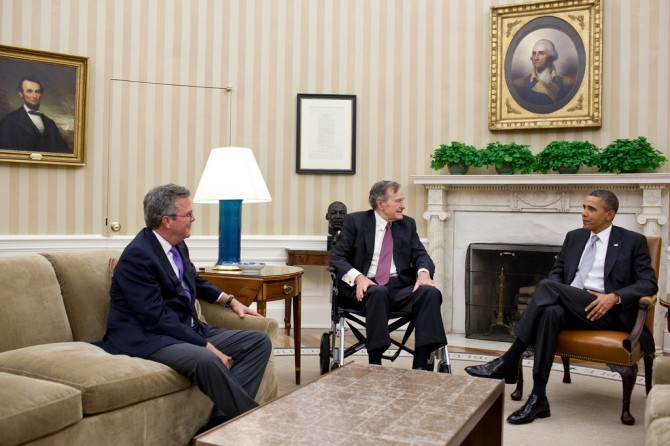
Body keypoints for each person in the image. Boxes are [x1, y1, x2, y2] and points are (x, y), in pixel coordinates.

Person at [465, 190, 658, 424]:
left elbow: (649, 283)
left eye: (591, 209)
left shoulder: (632, 241)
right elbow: (557, 273)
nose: (584, 213)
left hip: (606, 312)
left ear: (610, 214)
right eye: (583, 207)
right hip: (571, 307)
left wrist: (614, 297)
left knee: (547, 287)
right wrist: (559, 292)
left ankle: (509, 359)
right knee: (550, 311)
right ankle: (538, 398)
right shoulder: (574, 237)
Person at [96, 183, 272, 429]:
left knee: (258, 342)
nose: (193, 219)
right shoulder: (138, 256)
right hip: (149, 337)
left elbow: (192, 279)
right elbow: (155, 317)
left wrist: (230, 300)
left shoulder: (177, 244)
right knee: (206, 359)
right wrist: (204, 344)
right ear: (166, 221)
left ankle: (220, 424)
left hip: (183, 330)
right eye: (188, 214)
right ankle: (259, 423)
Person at [329, 180, 447, 370]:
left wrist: (424, 274)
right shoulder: (356, 221)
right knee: (378, 292)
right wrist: (359, 278)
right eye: (398, 201)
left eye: (403, 200)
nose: (403, 205)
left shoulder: (407, 224)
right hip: (363, 291)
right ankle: (375, 362)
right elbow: (337, 257)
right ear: (381, 203)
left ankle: (421, 364)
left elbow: (421, 255)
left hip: (398, 289)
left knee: (430, 293)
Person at [0, 75, 70, 153]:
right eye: (29, 91)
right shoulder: (8, 121)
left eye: (37, 92)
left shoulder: (50, 123)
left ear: (41, 95)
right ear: (21, 93)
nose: (34, 96)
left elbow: (64, 152)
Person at [512, 39, 575, 106]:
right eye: (534, 53)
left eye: (541, 53)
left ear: (550, 56)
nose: (535, 58)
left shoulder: (566, 83)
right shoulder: (521, 85)